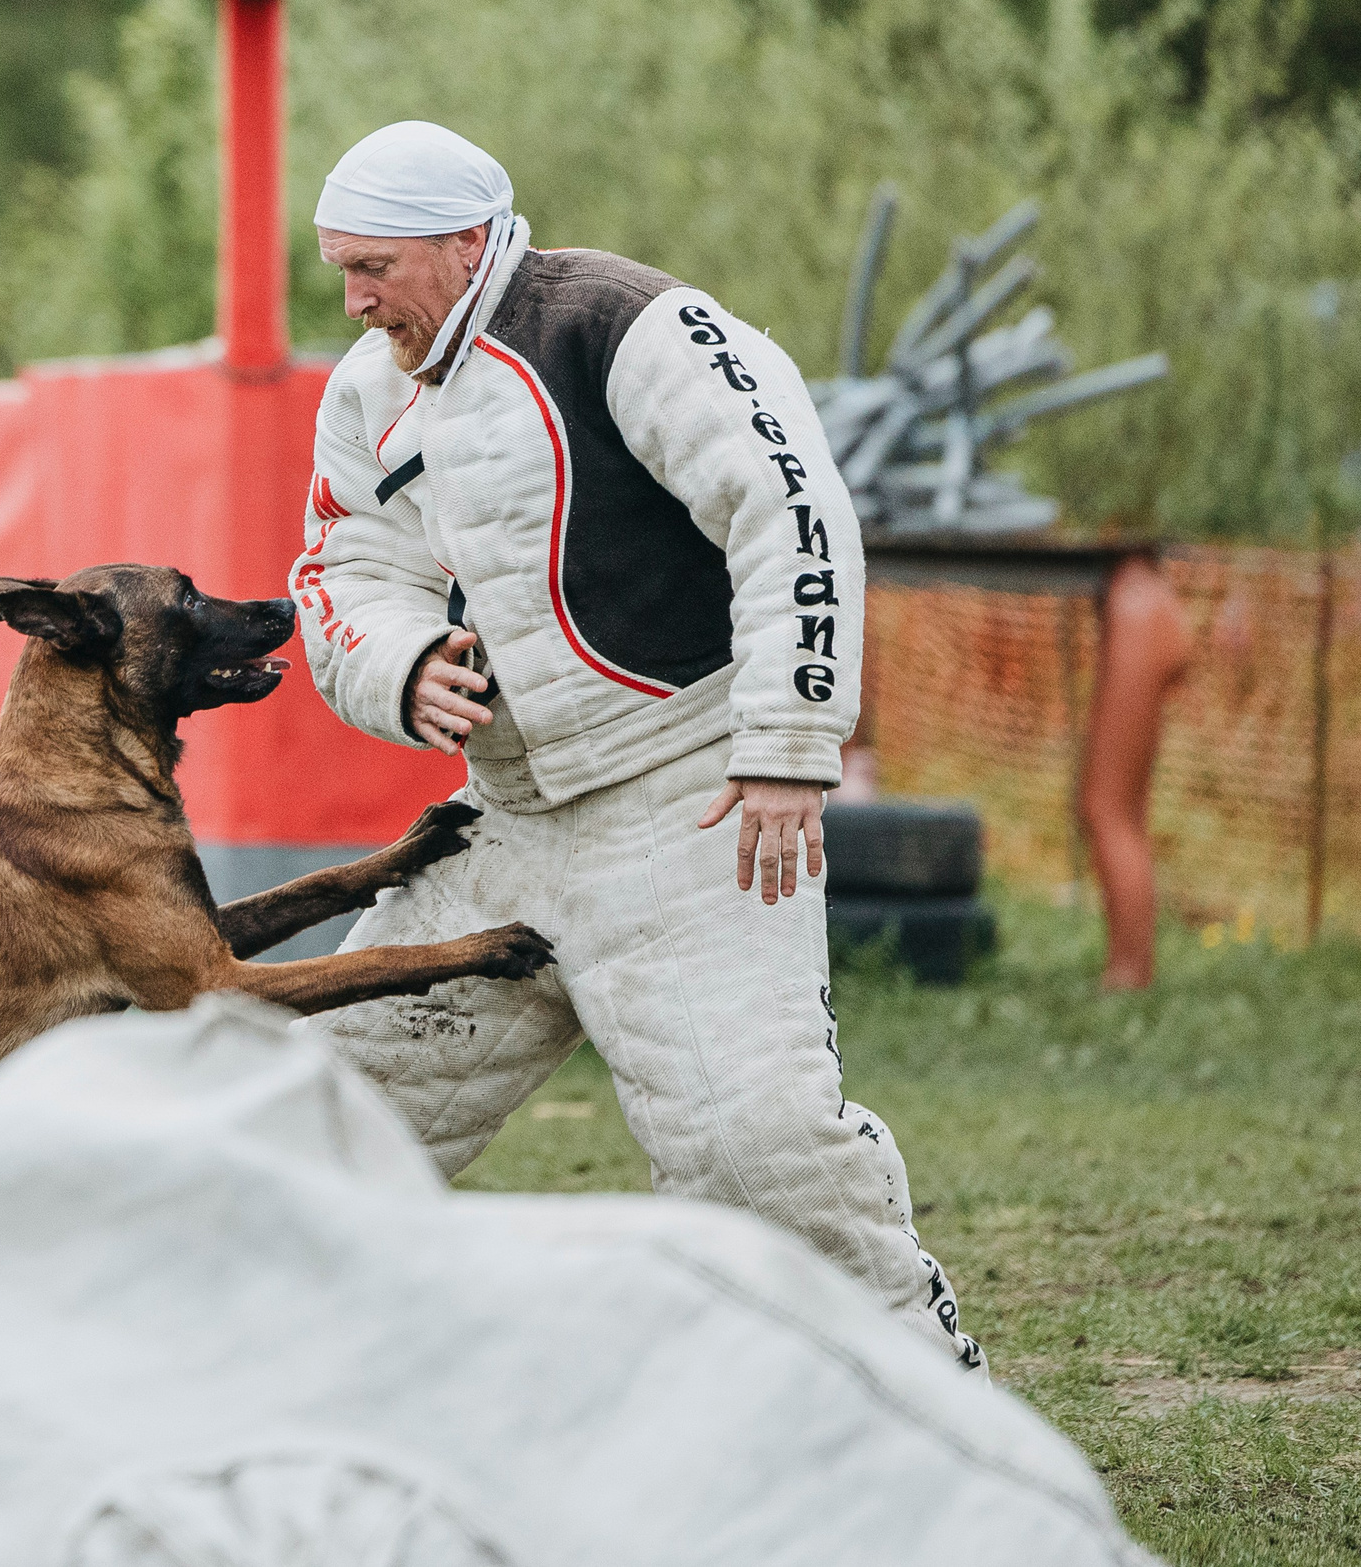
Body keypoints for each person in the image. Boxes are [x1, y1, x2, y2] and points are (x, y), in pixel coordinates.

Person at [291, 120, 983, 1374]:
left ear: (462, 243)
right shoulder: (365, 389)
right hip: (497, 827)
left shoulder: (626, 324)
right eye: (339, 267)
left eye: (373, 266)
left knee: (753, 1152)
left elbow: (789, 510)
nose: (351, 298)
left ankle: (926, 1405)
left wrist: (785, 741)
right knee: (315, 1124)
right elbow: (342, 566)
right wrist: (398, 665)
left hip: (691, 799)